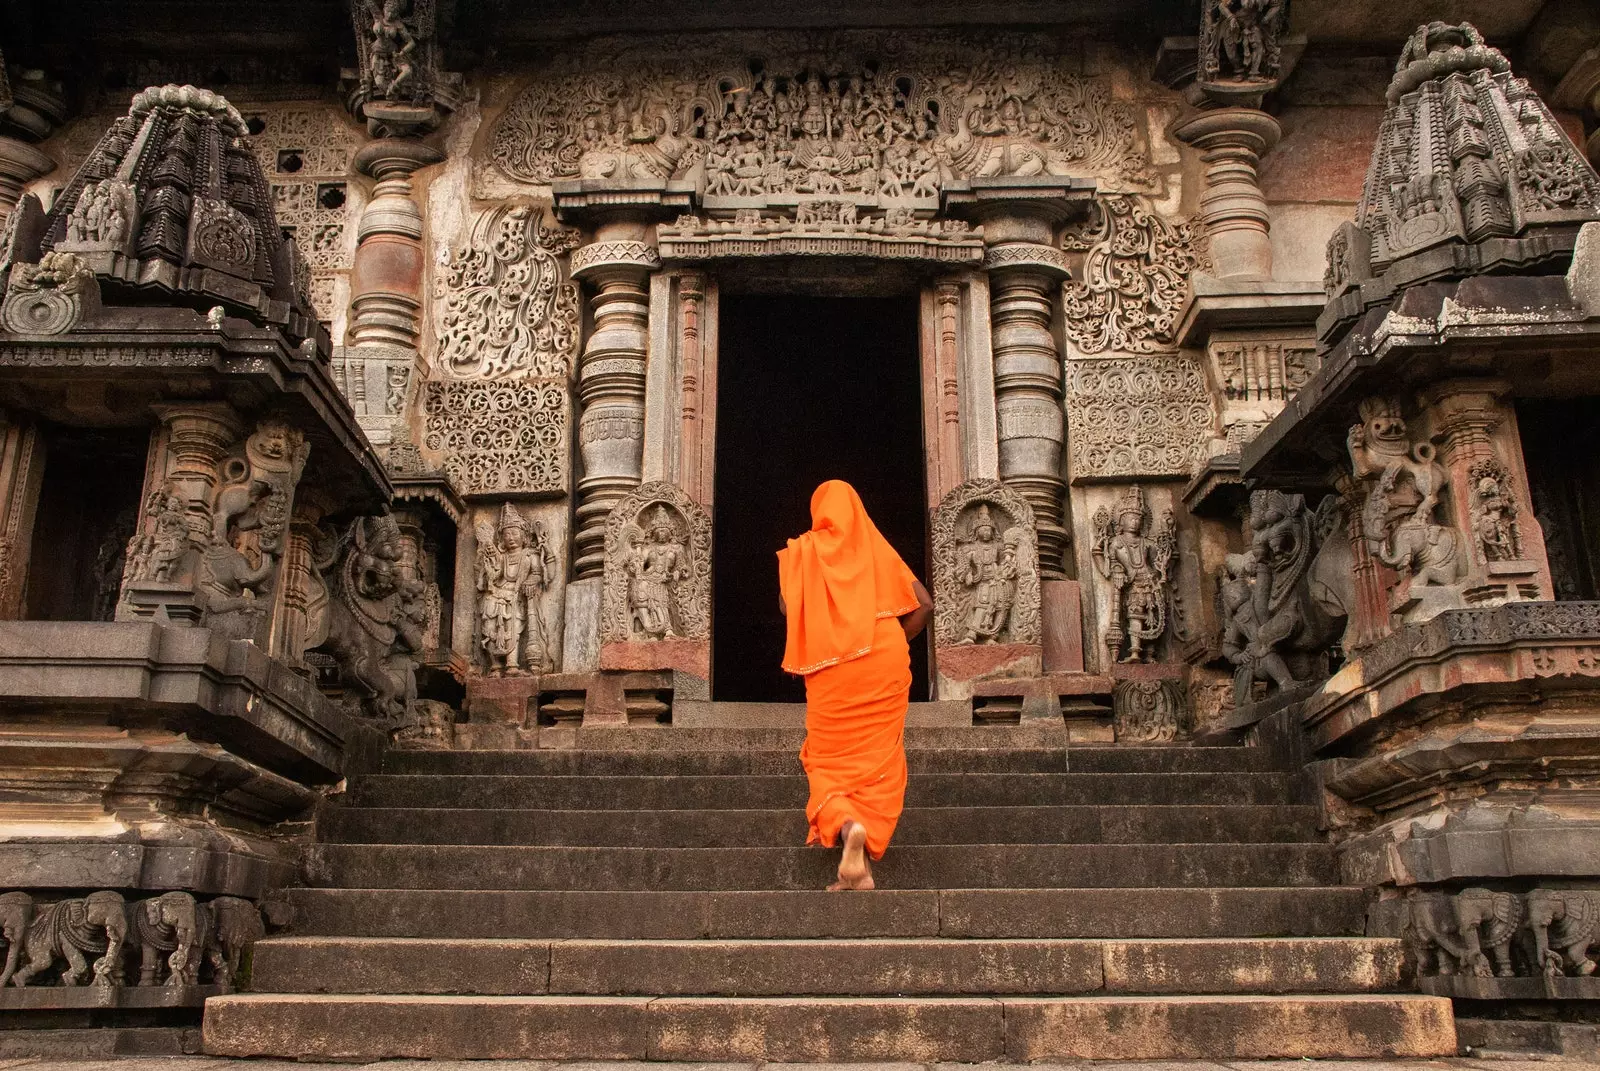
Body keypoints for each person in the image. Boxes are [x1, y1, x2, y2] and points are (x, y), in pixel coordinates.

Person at [777, 480, 933, 891]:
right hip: (884, 655)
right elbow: (925, 605)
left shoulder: (803, 552)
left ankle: (848, 826)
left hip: (833, 667)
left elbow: (789, 608)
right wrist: (892, 638)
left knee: (827, 763)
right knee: (879, 759)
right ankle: (856, 866)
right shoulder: (875, 547)